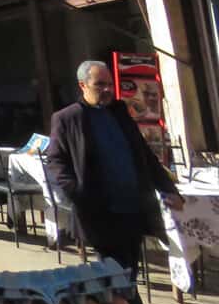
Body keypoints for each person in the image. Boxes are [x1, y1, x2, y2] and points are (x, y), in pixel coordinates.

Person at [46, 60, 184, 284]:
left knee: (129, 271)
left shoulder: (120, 112)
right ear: (83, 85)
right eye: (100, 84)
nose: (107, 89)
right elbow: (56, 160)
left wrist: (169, 189)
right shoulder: (68, 118)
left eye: (109, 84)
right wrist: (77, 192)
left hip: (134, 208)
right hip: (100, 212)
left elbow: (145, 157)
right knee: (113, 274)